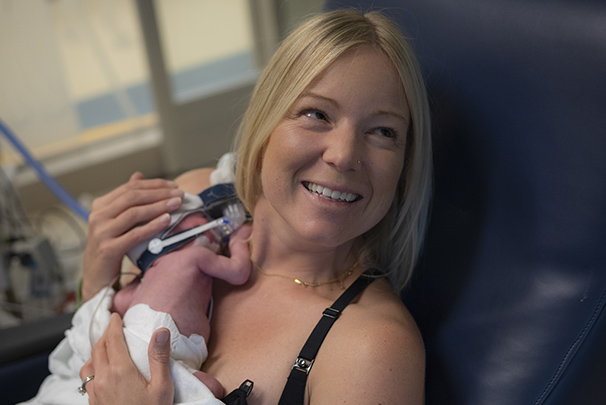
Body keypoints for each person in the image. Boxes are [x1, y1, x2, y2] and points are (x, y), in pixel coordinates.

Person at [78, 8, 432, 404]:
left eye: (383, 132)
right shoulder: (188, 207)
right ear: (266, 122)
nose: (344, 155)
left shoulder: (372, 349)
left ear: (404, 164)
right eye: (316, 113)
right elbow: (84, 372)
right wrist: (95, 286)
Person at [21, 176, 252, 405]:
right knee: (212, 388)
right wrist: (239, 239)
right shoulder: (195, 256)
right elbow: (239, 271)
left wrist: (98, 300)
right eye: (201, 224)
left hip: (119, 349)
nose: (213, 232)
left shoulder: (150, 272)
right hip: (152, 359)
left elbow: (119, 302)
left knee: (208, 388)